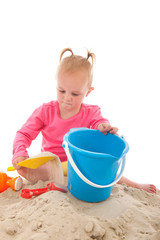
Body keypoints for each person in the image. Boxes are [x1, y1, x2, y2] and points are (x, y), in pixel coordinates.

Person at [12, 48, 156, 193]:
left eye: (75, 94)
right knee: (26, 167)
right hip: (52, 163)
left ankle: (135, 185)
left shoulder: (91, 112)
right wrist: (19, 152)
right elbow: (24, 134)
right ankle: (54, 177)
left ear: (88, 91)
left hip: (79, 163)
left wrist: (103, 127)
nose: (67, 97)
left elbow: (99, 122)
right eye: (61, 91)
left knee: (104, 169)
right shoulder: (45, 111)